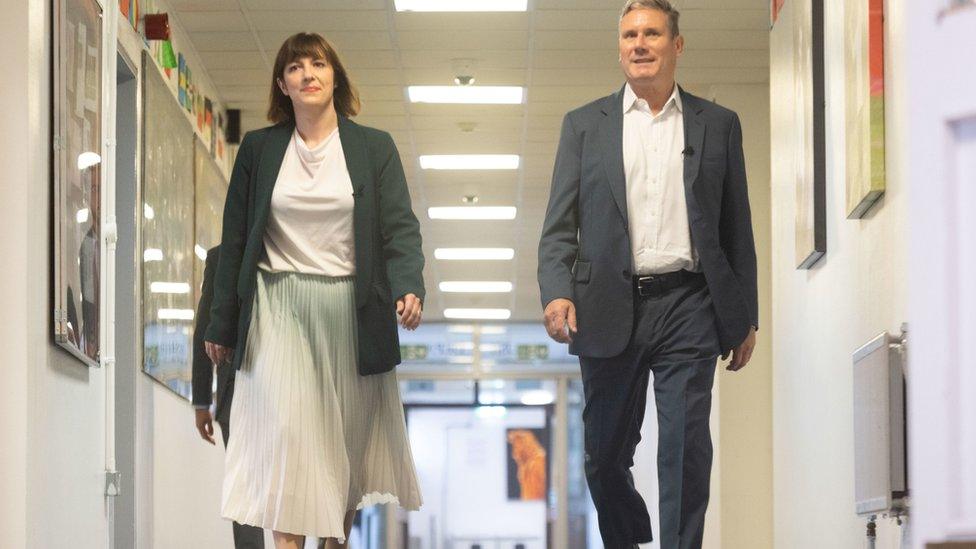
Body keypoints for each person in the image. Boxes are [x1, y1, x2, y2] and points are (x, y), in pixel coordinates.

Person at [537, 2, 758, 548]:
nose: (639, 44)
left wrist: (744, 317)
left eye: (652, 33)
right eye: (630, 34)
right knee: (604, 456)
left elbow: (736, 228)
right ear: (619, 46)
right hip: (608, 303)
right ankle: (630, 539)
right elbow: (558, 227)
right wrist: (557, 293)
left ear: (676, 45)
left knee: (684, 448)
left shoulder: (717, 124)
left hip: (689, 302)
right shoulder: (584, 126)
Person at [203, 32, 425, 549]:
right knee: (290, 439)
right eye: (296, 67)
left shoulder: (373, 147)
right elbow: (234, 239)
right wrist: (222, 321)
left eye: (318, 63)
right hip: (277, 304)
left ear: (334, 76)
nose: (308, 73)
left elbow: (401, 228)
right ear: (282, 84)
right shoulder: (259, 149)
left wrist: (409, 285)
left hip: (350, 309)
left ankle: (333, 541)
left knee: (339, 450)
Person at [192, 244, 267, 549]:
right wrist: (201, 400)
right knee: (246, 489)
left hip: (285, 382)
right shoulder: (220, 257)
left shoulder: (288, 245)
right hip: (235, 389)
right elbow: (205, 329)